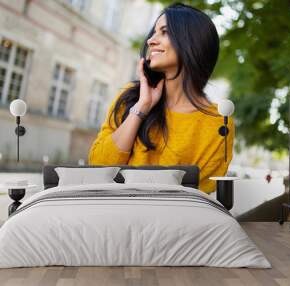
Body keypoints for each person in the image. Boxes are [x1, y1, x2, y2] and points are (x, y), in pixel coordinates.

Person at [88, 3, 235, 194]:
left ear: (192, 42)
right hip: (115, 213)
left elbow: (199, 193)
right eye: (153, 32)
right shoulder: (131, 98)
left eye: (164, 32)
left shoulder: (218, 123)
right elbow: (98, 166)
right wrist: (142, 107)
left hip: (174, 221)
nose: (150, 41)